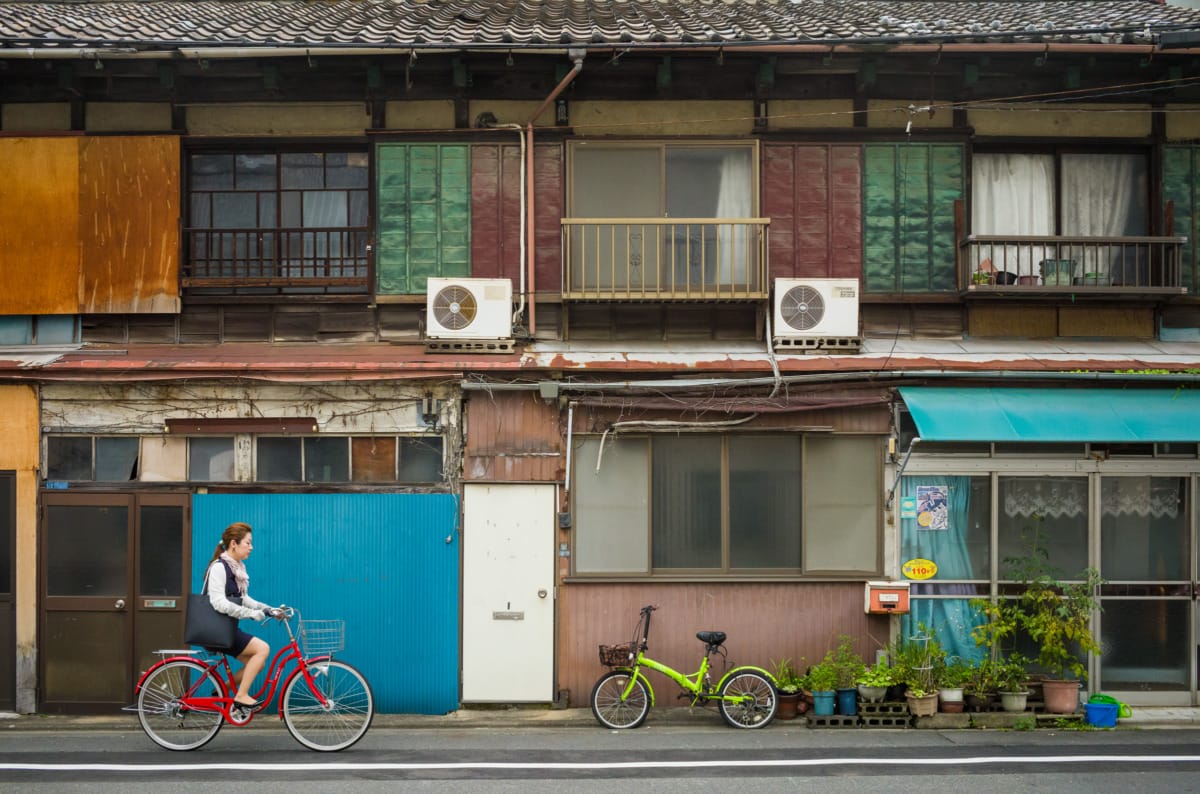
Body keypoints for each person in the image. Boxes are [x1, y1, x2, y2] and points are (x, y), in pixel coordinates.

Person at [204, 521, 282, 716]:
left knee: (258, 662)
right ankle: (241, 697)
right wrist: (250, 614)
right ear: (233, 544)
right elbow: (218, 603)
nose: (251, 547)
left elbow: (243, 599)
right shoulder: (219, 567)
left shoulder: (236, 568)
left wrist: (267, 609)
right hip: (215, 630)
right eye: (248, 543)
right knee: (263, 649)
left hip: (226, 628)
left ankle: (222, 689)